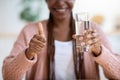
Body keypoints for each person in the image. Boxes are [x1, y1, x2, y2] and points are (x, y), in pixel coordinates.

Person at [2, 0, 120, 80]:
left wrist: (99, 51)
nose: (60, 2)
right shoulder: (29, 31)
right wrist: (29, 53)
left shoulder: (92, 29)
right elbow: (8, 75)